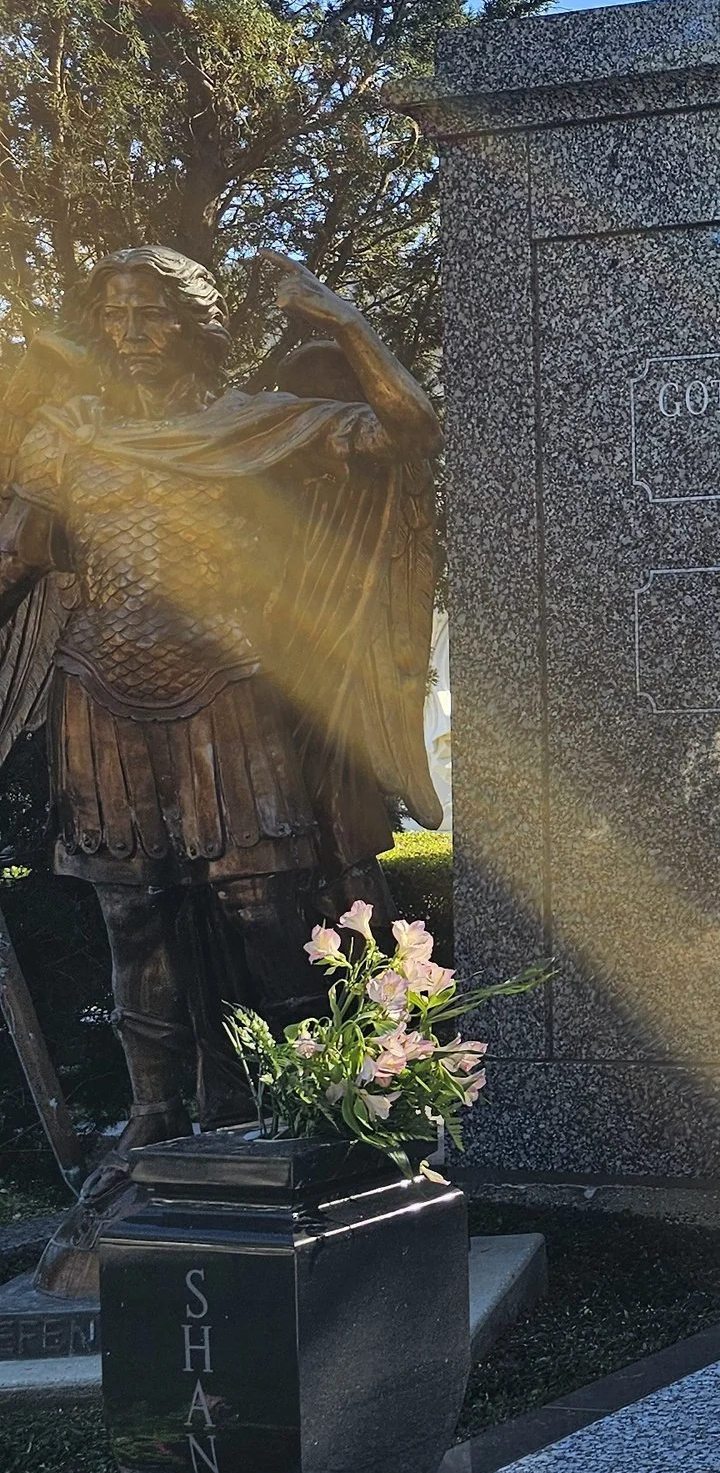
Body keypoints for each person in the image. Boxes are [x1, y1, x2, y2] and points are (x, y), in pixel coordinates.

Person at [0, 248, 440, 1146]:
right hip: (99, 688)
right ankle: (154, 1122)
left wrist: (341, 320)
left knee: (262, 907)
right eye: (116, 314)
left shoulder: (262, 426)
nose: (131, 333)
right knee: (132, 911)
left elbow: (410, 431)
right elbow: (16, 553)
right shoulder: (68, 435)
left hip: (229, 685)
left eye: (152, 312)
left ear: (198, 322)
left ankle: (303, 1103)